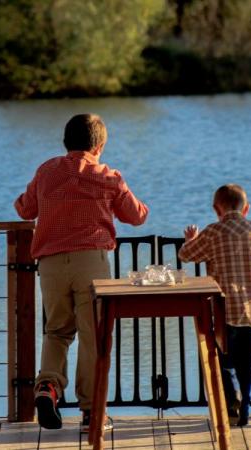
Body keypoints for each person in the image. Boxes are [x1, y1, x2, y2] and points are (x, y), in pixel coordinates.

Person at [14, 113, 149, 431]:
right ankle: (91, 412)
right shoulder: (108, 175)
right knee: (95, 335)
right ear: (100, 145)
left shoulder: (47, 170)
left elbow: (24, 209)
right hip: (92, 261)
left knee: (57, 331)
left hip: (50, 263)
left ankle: (47, 387)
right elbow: (137, 216)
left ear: (65, 142)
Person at [178, 184, 251, 427]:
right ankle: (246, 409)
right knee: (249, 361)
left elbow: (186, 255)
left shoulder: (212, 232)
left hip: (223, 311)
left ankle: (232, 400)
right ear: (246, 208)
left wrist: (191, 240)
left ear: (216, 209)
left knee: (224, 360)